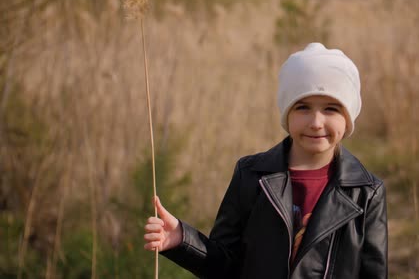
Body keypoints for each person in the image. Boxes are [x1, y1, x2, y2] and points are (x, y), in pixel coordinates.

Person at [143, 43, 388, 278]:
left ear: (349, 117)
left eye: (331, 109)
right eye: (303, 107)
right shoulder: (252, 175)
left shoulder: (366, 192)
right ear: (287, 113)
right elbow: (223, 266)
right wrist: (181, 238)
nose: (316, 122)